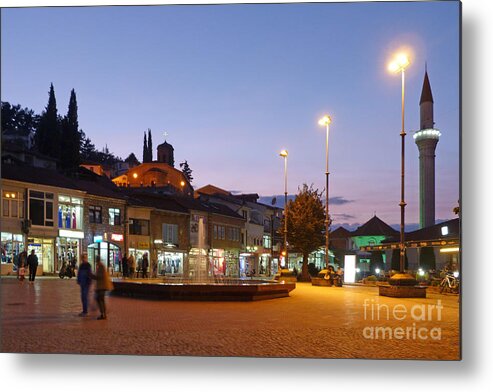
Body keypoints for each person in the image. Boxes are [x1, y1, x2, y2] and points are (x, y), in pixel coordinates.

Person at [93, 255, 114, 320]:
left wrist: (91, 276)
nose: (95, 261)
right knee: (100, 299)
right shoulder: (100, 266)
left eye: (96, 259)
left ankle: (103, 314)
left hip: (102, 286)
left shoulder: (101, 266)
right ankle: (103, 313)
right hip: (101, 286)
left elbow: (99, 276)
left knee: (100, 299)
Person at [76, 252, 93, 317]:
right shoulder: (82, 265)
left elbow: (89, 274)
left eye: (84, 257)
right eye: (82, 257)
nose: (83, 259)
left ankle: (85, 311)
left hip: (86, 283)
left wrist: (89, 281)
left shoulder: (87, 265)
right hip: (83, 283)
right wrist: (79, 280)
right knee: (83, 297)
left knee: (84, 296)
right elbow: (79, 274)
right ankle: (85, 310)